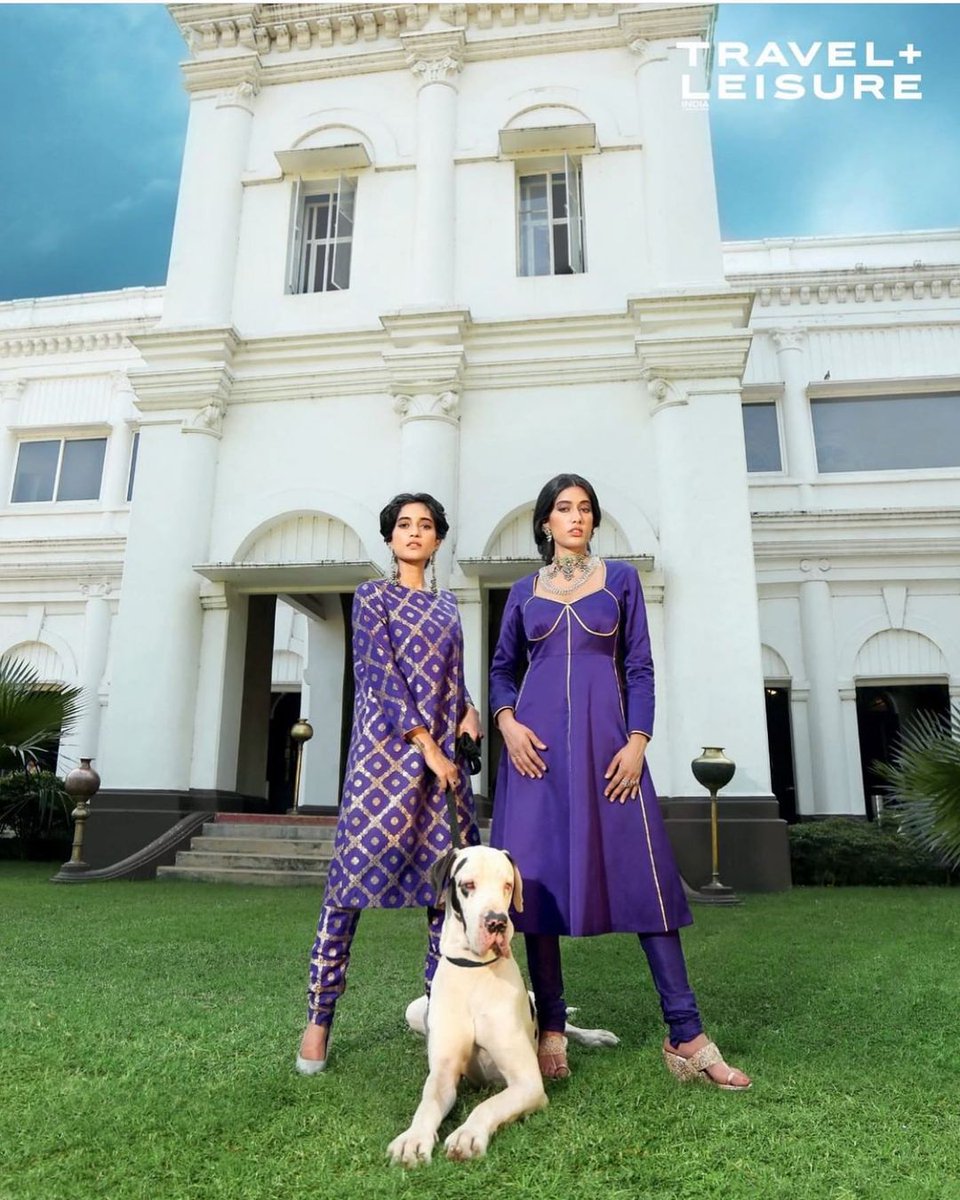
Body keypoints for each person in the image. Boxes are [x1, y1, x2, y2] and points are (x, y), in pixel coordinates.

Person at [489, 474, 750, 1089]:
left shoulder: (623, 581)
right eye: (563, 508)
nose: (575, 517)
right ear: (545, 523)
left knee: (648, 883)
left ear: (594, 521)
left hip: (613, 756)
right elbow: (503, 670)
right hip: (537, 757)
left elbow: (640, 667)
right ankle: (549, 1026)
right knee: (539, 888)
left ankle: (685, 1034)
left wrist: (638, 743)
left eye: (584, 509)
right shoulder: (523, 592)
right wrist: (508, 726)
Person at [297, 493, 481, 1074]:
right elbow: (380, 674)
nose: (414, 533)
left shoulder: (449, 604)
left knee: (445, 894)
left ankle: (440, 1015)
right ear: (390, 536)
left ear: (438, 540)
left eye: (425, 526)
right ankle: (319, 1020)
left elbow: (452, 675)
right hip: (384, 760)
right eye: (404, 525)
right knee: (346, 892)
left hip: (444, 768)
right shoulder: (372, 595)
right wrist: (424, 745)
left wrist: (469, 713)